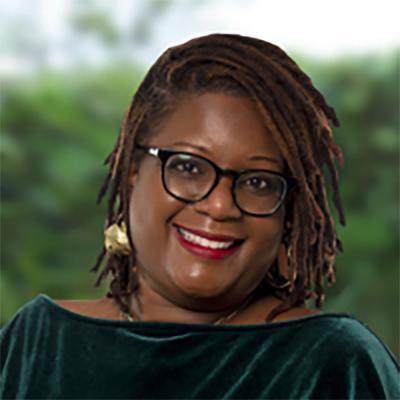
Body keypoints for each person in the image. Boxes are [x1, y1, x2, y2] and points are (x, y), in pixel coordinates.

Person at [1, 33, 399, 399]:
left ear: (287, 214)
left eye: (258, 182)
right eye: (189, 167)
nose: (220, 205)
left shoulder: (334, 364)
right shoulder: (37, 343)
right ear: (132, 174)